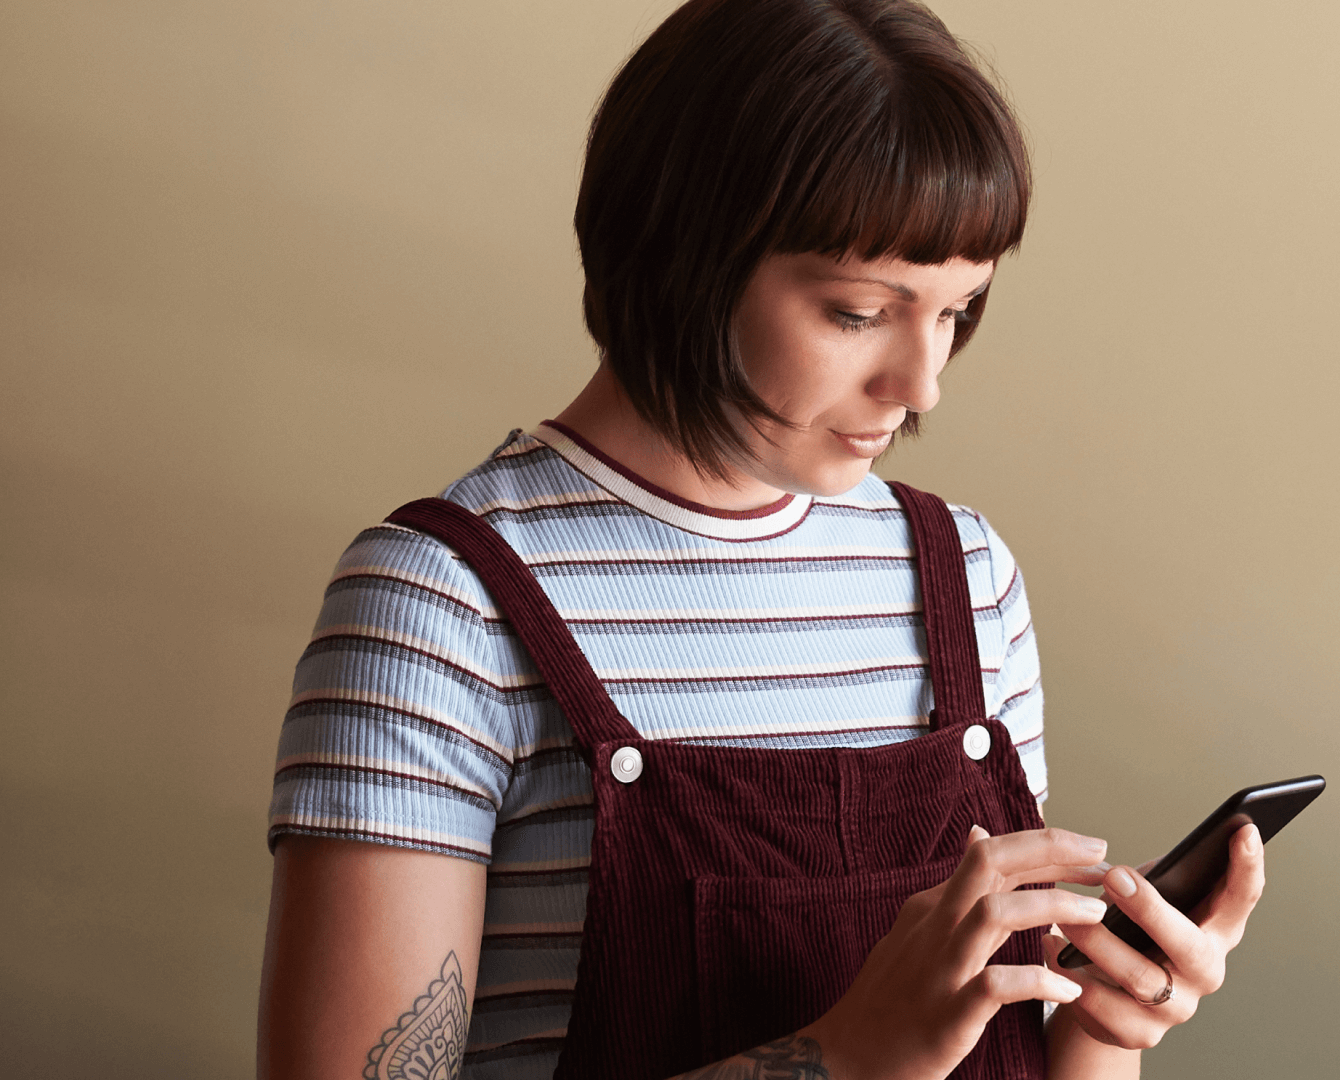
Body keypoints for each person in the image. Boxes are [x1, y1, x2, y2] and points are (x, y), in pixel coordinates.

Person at [255, 0, 1267, 1077]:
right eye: (856, 312)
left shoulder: (966, 577)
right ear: (685, 250)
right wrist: (844, 1058)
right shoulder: (439, 607)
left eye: (957, 310)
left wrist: (1106, 1027)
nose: (920, 383)